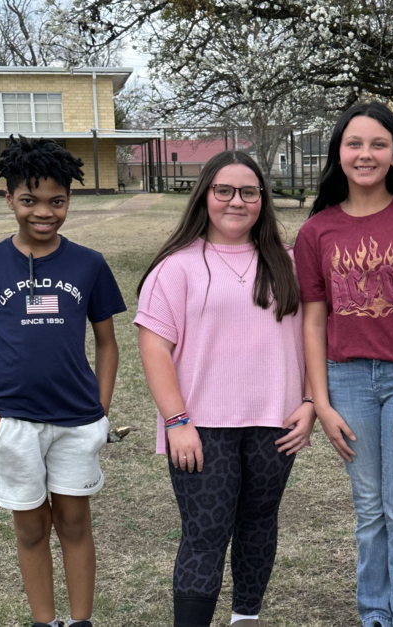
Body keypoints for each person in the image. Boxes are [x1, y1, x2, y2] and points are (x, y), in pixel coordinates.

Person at [0, 136, 127, 627]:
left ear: (69, 200)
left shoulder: (88, 263)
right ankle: (44, 622)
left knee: (74, 523)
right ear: (9, 199)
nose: (43, 212)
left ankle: (82, 621)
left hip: (77, 421)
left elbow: (108, 343)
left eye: (56, 201)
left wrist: (101, 410)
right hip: (15, 424)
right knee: (30, 528)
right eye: (29, 200)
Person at [135, 151, 314, 627]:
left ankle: (245, 618)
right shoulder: (177, 268)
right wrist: (176, 422)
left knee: (258, 526)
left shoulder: (288, 264)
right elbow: (153, 348)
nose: (237, 201)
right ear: (206, 196)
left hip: (274, 423)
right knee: (205, 533)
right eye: (224, 191)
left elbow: (314, 338)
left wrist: (311, 402)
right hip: (201, 427)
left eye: (249, 192)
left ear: (262, 200)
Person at [293, 102, 393, 627]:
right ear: (338, 153)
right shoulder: (317, 231)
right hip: (347, 381)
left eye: (378, 144)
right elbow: (313, 322)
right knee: (368, 512)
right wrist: (320, 401)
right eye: (354, 143)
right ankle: (375, 614)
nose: (366, 154)